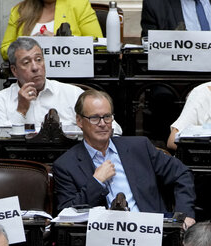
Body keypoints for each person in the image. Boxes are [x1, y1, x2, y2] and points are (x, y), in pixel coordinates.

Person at [52, 89, 196, 228]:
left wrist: (185, 214)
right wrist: (96, 183)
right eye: (95, 118)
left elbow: (182, 173)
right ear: (79, 121)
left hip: (151, 233)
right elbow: (66, 214)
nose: (102, 123)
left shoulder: (139, 147)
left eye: (107, 117)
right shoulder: (66, 165)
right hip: (102, 240)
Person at [0, 37, 121, 142]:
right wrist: (21, 111)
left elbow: (115, 130)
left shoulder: (72, 94)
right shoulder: (0, 101)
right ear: (14, 71)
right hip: (22, 168)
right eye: (26, 62)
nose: (35, 67)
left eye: (39, 59)